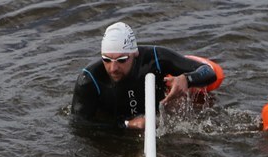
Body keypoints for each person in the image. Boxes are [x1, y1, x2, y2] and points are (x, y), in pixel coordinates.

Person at [70, 22, 218, 130]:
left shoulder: (154, 58)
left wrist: (187, 79)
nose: (113, 68)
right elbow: (78, 123)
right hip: (116, 131)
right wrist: (127, 124)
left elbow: (209, 71)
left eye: (122, 60)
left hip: (158, 118)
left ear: (135, 53)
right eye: (106, 59)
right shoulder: (89, 79)